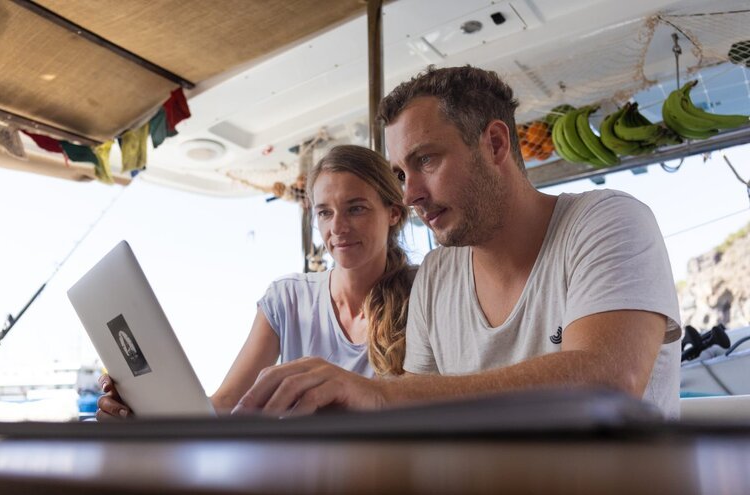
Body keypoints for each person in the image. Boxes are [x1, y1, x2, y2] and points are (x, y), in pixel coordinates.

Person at [232, 66, 682, 418]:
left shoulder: (607, 223)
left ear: (495, 144)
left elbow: (609, 382)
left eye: (426, 160)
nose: (409, 195)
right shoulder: (436, 277)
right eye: (401, 174)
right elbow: (416, 421)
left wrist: (381, 395)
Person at [97, 144, 413, 418]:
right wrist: (139, 410)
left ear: (394, 213)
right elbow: (225, 405)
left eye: (355, 208)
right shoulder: (287, 299)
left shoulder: (423, 296)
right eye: (324, 213)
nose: (338, 226)